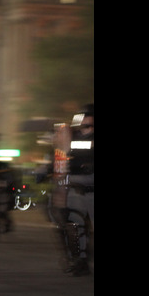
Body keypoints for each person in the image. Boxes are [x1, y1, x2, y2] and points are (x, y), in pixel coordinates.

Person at [58, 104, 94, 276]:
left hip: (92, 187)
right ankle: (80, 261)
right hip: (75, 188)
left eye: (86, 116)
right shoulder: (73, 137)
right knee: (74, 226)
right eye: (81, 117)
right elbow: (61, 155)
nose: (82, 120)